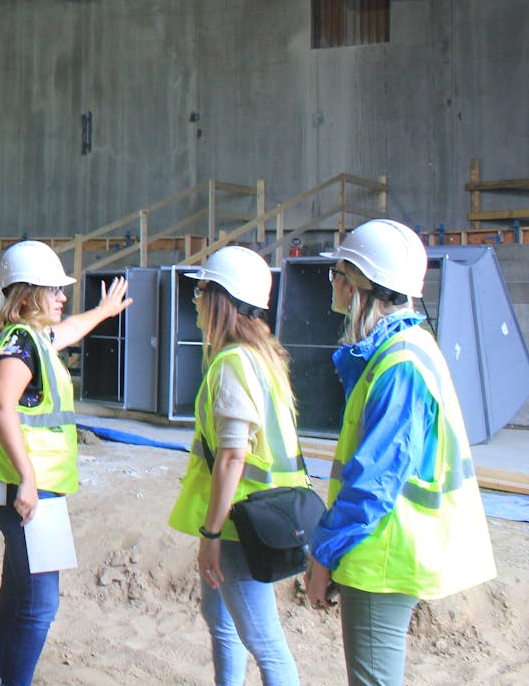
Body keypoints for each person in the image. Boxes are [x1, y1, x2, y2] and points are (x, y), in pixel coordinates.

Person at [304, 219, 495, 685]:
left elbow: (373, 483)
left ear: (358, 285)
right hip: (389, 550)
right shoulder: (408, 348)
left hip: (384, 555)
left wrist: (324, 554)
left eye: (338, 274)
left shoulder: (400, 365)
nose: (334, 284)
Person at [0, 239, 130, 686]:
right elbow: (2, 406)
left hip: (32, 489)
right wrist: (27, 479)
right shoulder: (20, 344)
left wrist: (103, 312)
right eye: (55, 289)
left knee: (16, 598)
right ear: (28, 294)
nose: (65, 296)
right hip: (27, 492)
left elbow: (69, 331)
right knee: (39, 605)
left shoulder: (36, 339)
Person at [168, 246, 308, 686]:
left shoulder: (232, 364)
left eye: (202, 292)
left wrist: (211, 535)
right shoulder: (263, 359)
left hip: (238, 526)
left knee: (265, 643)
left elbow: (232, 455)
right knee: (221, 617)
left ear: (220, 301)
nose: (196, 301)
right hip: (265, 517)